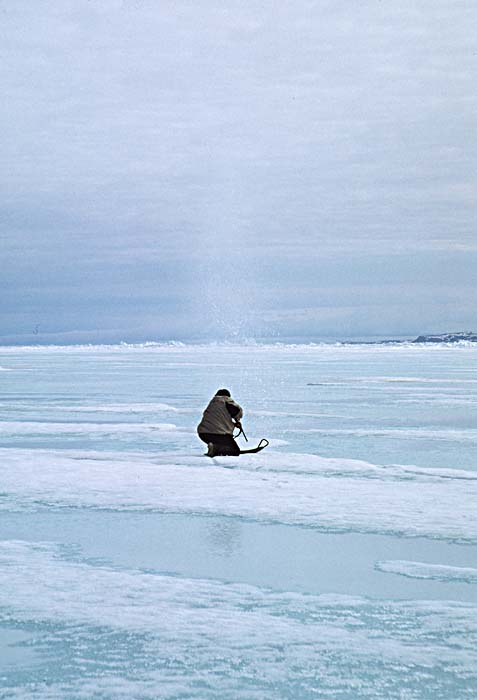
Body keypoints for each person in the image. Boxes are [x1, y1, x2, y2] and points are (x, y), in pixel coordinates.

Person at [197, 389, 244, 457]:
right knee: (235, 451)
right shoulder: (226, 400)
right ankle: (216, 448)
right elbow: (237, 411)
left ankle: (214, 447)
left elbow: (217, 420)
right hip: (219, 434)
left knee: (221, 442)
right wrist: (237, 420)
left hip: (203, 434)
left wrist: (234, 424)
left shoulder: (212, 403)